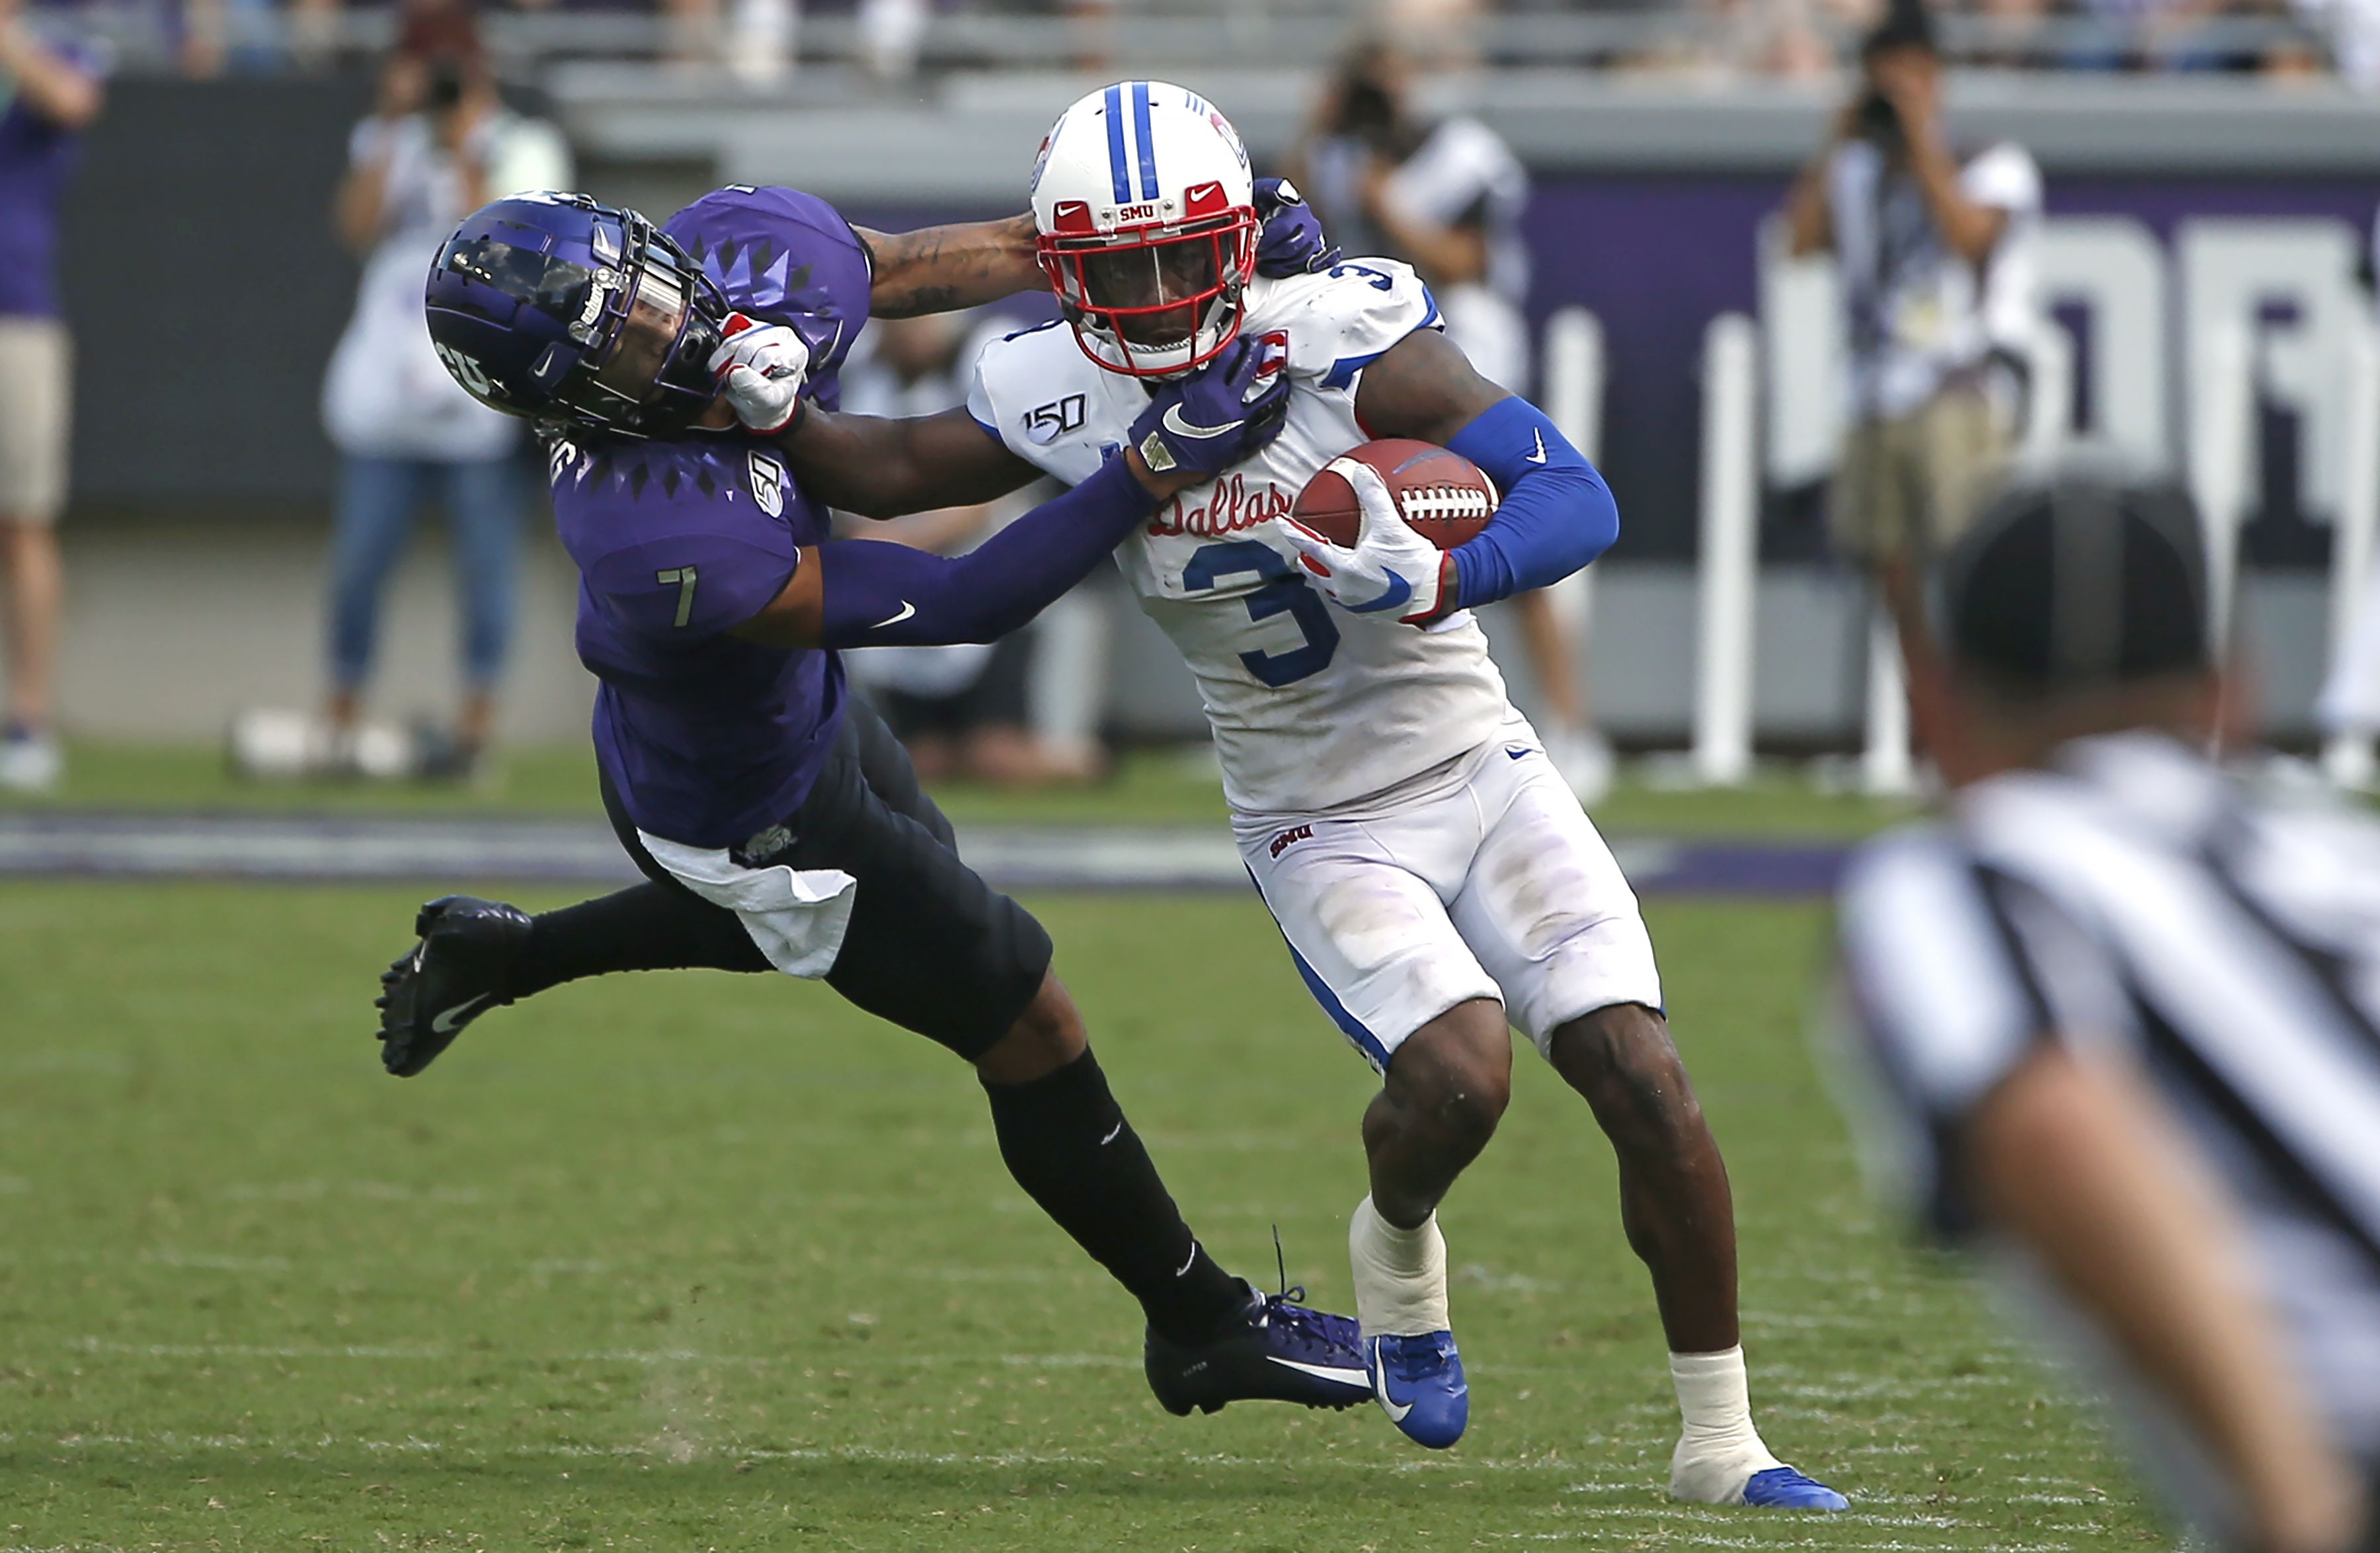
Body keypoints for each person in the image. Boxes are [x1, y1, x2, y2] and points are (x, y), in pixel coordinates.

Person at [754, 81, 1845, 1507]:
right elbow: (890, 471)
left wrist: (1447, 570)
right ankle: (1396, 1237)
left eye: (1173, 257)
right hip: (1314, 811)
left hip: (1476, 757)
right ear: (1061, 268)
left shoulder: (1335, 332)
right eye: (1112, 268)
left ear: (1236, 234)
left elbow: (1575, 494)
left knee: (1639, 1072)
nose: (1148, 298)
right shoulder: (1054, 384)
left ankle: (1722, 1443)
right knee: (1460, 1077)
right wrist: (759, 397)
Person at [382, 184, 1376, 1421]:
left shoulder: (745, 248)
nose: (661, 321)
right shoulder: (656, 531)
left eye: (640, 282)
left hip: (799, 719)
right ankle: (1202, 1324)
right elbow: (958, 604)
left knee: (880, 909)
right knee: (1028, 1017)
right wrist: (1153, 465)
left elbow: (967, 256)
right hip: (742, 802)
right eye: (621, 338)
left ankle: (510, 955)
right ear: (571, 400)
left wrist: (1183, 248)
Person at [1833, 469, 2380, 1553]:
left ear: (1936, 705)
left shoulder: (1975, 873)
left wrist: (2298, 1506)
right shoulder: (2340, 857)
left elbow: (2054, 1119)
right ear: (2230, 691)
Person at [1292, 42, 1611, 801]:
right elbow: (1289, 223)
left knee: (1508, 522)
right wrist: (1321, 123)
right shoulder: (1338, 154)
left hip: (1456, 359)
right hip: (1358, 368)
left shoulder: (1463, 155)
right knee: (1335, 530)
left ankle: (1574, 723)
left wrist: (1384, 199)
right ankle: (1326, 721)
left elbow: (1466, 260)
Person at [319, 49, 571, 779]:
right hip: (387, 400)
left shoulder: (523, 143)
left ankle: (474, 734)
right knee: (360, 565)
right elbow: (355, 227)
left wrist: (463, 147)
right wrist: (396, 129)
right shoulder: (389, 139)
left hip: (476, 401)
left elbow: (508, 246)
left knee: (485, 574)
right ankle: (339, 720)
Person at [1783, 0, 2042, 578]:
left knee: (1970, 568)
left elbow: (1970, 239)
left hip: (1959, 387)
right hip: (1875, 390)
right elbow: (1797, 243)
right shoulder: (1856, 169)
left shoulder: (1989, 160)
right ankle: (1917, 674)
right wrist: (1836, 139)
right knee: (1892, 577)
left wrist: (1922, 141)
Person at [0, 0, 100, 792]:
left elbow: (70, 100)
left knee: (24, 517)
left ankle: (29, 717)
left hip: (16, 316)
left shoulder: (57, 43)